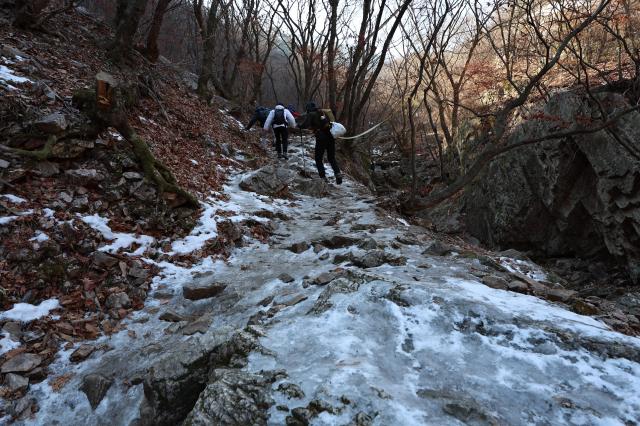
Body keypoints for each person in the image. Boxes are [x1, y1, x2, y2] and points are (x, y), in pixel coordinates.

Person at [300, 102, 342, 185]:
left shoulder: (311, 114)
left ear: (308, 108)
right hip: (330, 136)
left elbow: (305, 125)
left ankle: (323, 177)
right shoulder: (323, 113)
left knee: (318, 158)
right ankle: (338, 174)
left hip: (321, 138)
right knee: (331, 158)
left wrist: (299, 125)